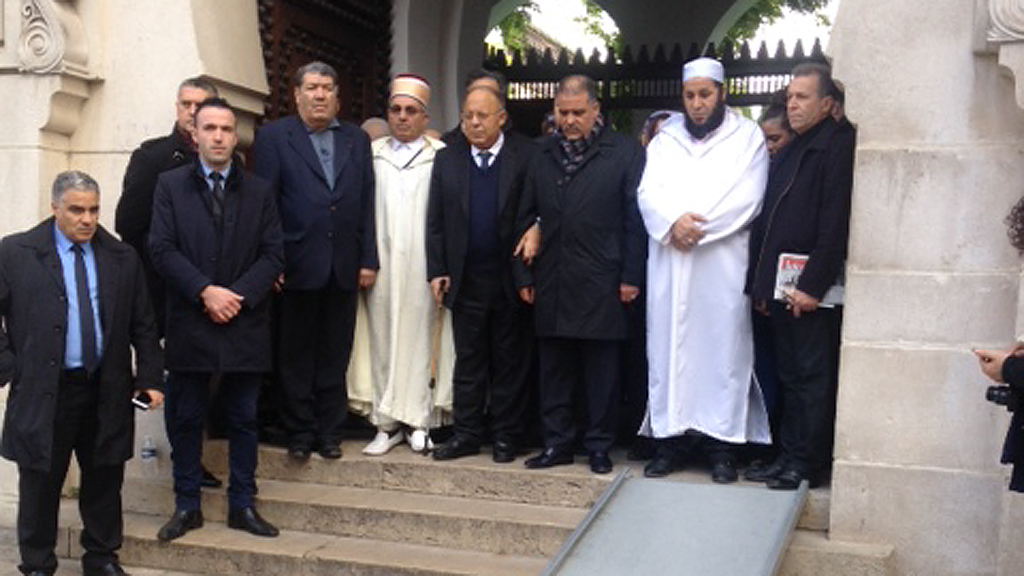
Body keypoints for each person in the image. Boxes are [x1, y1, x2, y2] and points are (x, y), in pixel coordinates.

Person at [0, 170, 163, 576]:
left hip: (104, 387)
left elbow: (144, 322)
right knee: (40, 481)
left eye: (93, 210)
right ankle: (37, 563)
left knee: (105, 476)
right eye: (76, 210)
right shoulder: (16, 252)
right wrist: (11, 366)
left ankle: (102, 555)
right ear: (54, 208)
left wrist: (149, 379)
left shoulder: (121, 256)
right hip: (44, 389)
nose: (87, 219)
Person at [150, 98, 283, 541]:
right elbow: (161, 249)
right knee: (187, 417)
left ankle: (242, 504)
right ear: (195, 133)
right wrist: (205, 291)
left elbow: (273, 255)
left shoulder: (260, 190)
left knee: (244, 418)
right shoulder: (169, 186)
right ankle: (186, 505)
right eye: (210, 128)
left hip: (244, 321)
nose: (220, 137)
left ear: (236, 136)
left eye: (227, 129)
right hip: (191, 318)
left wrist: (236, 297)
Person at [636, 57, 771, 483]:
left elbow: (748, 197)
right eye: (690, 95)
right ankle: (668, 442)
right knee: (668, 351)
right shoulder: (665, 140)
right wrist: (671, 223)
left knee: (721, 351)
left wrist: (696, 229)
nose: (697, 104)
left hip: (721, 266)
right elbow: (647, 192)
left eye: (705, 95)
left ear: (722, 93)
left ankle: (722, 448)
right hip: (670, 264)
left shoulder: (747, 137)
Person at [515, 75, 646, 475]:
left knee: (601, 372)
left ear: (595, 111)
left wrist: (630, 277)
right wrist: (524, 275)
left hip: (602, 279)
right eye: (562, 113)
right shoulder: (542, 153)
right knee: (554, 369)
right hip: (552, 278)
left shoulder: (623, 153)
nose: (569, 121)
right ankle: (557, 443)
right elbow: (523, 215)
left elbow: (635, 221)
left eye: (577, 113)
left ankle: (599, 445)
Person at [251, 61, 378, 462]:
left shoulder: (357, 140)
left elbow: (367, 204)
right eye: (312, 87)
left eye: (327, 87)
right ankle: (300, 432)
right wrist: (272, 261)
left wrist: (368, 259)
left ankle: (329, 431)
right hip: (295, 264)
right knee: (295, 355)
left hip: (343, 265)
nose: (320, 95)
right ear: (296, 94)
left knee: (335, 353)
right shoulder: (273, 139)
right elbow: (264, 204)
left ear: (337, 96)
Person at [746, 62, 855, 490]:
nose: (792, 104)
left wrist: (811, 286)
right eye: (790, 97)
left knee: (811, 376)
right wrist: (760, 285)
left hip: (809, 290)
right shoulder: (793, 146)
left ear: (827, 103)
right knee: (790, 374)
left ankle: (806, 462)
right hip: (779, 286)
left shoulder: (836, 145)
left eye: (802, 97)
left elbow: (833, 223)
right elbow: (770, 219)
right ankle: (787, 454)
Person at [115, 76, 224, 490]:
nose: (192, 112)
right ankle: (185, 462)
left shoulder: (228, 160)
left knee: (209, 376)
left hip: (214, 293)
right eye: (185, 103)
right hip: (166, 292)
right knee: (177, 379)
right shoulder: (155, 157)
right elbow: (129, 224)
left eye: (201, 104)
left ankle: (193, 455)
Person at [427, 82, 537, 464]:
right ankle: (467, 434)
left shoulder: (526, 155)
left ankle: (506, 435)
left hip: (510, 278)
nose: (474, 123)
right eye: (467, 117)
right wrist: (437, 268)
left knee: (509, 361)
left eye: (481, 116)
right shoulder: (448, 159)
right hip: (466, 277)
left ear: (501, 118)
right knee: (469, 362)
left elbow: (539, 207)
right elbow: (435, 222)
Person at [348, 74, 454, 455]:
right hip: (381, 265)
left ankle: (419, 420)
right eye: (396, 109)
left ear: (425, 116)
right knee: (381, 337)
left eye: (411, 111)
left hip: (425, 268)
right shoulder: (370, 154)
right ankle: (385, 422)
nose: (403, 117)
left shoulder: (440, 155)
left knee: (422, 339)